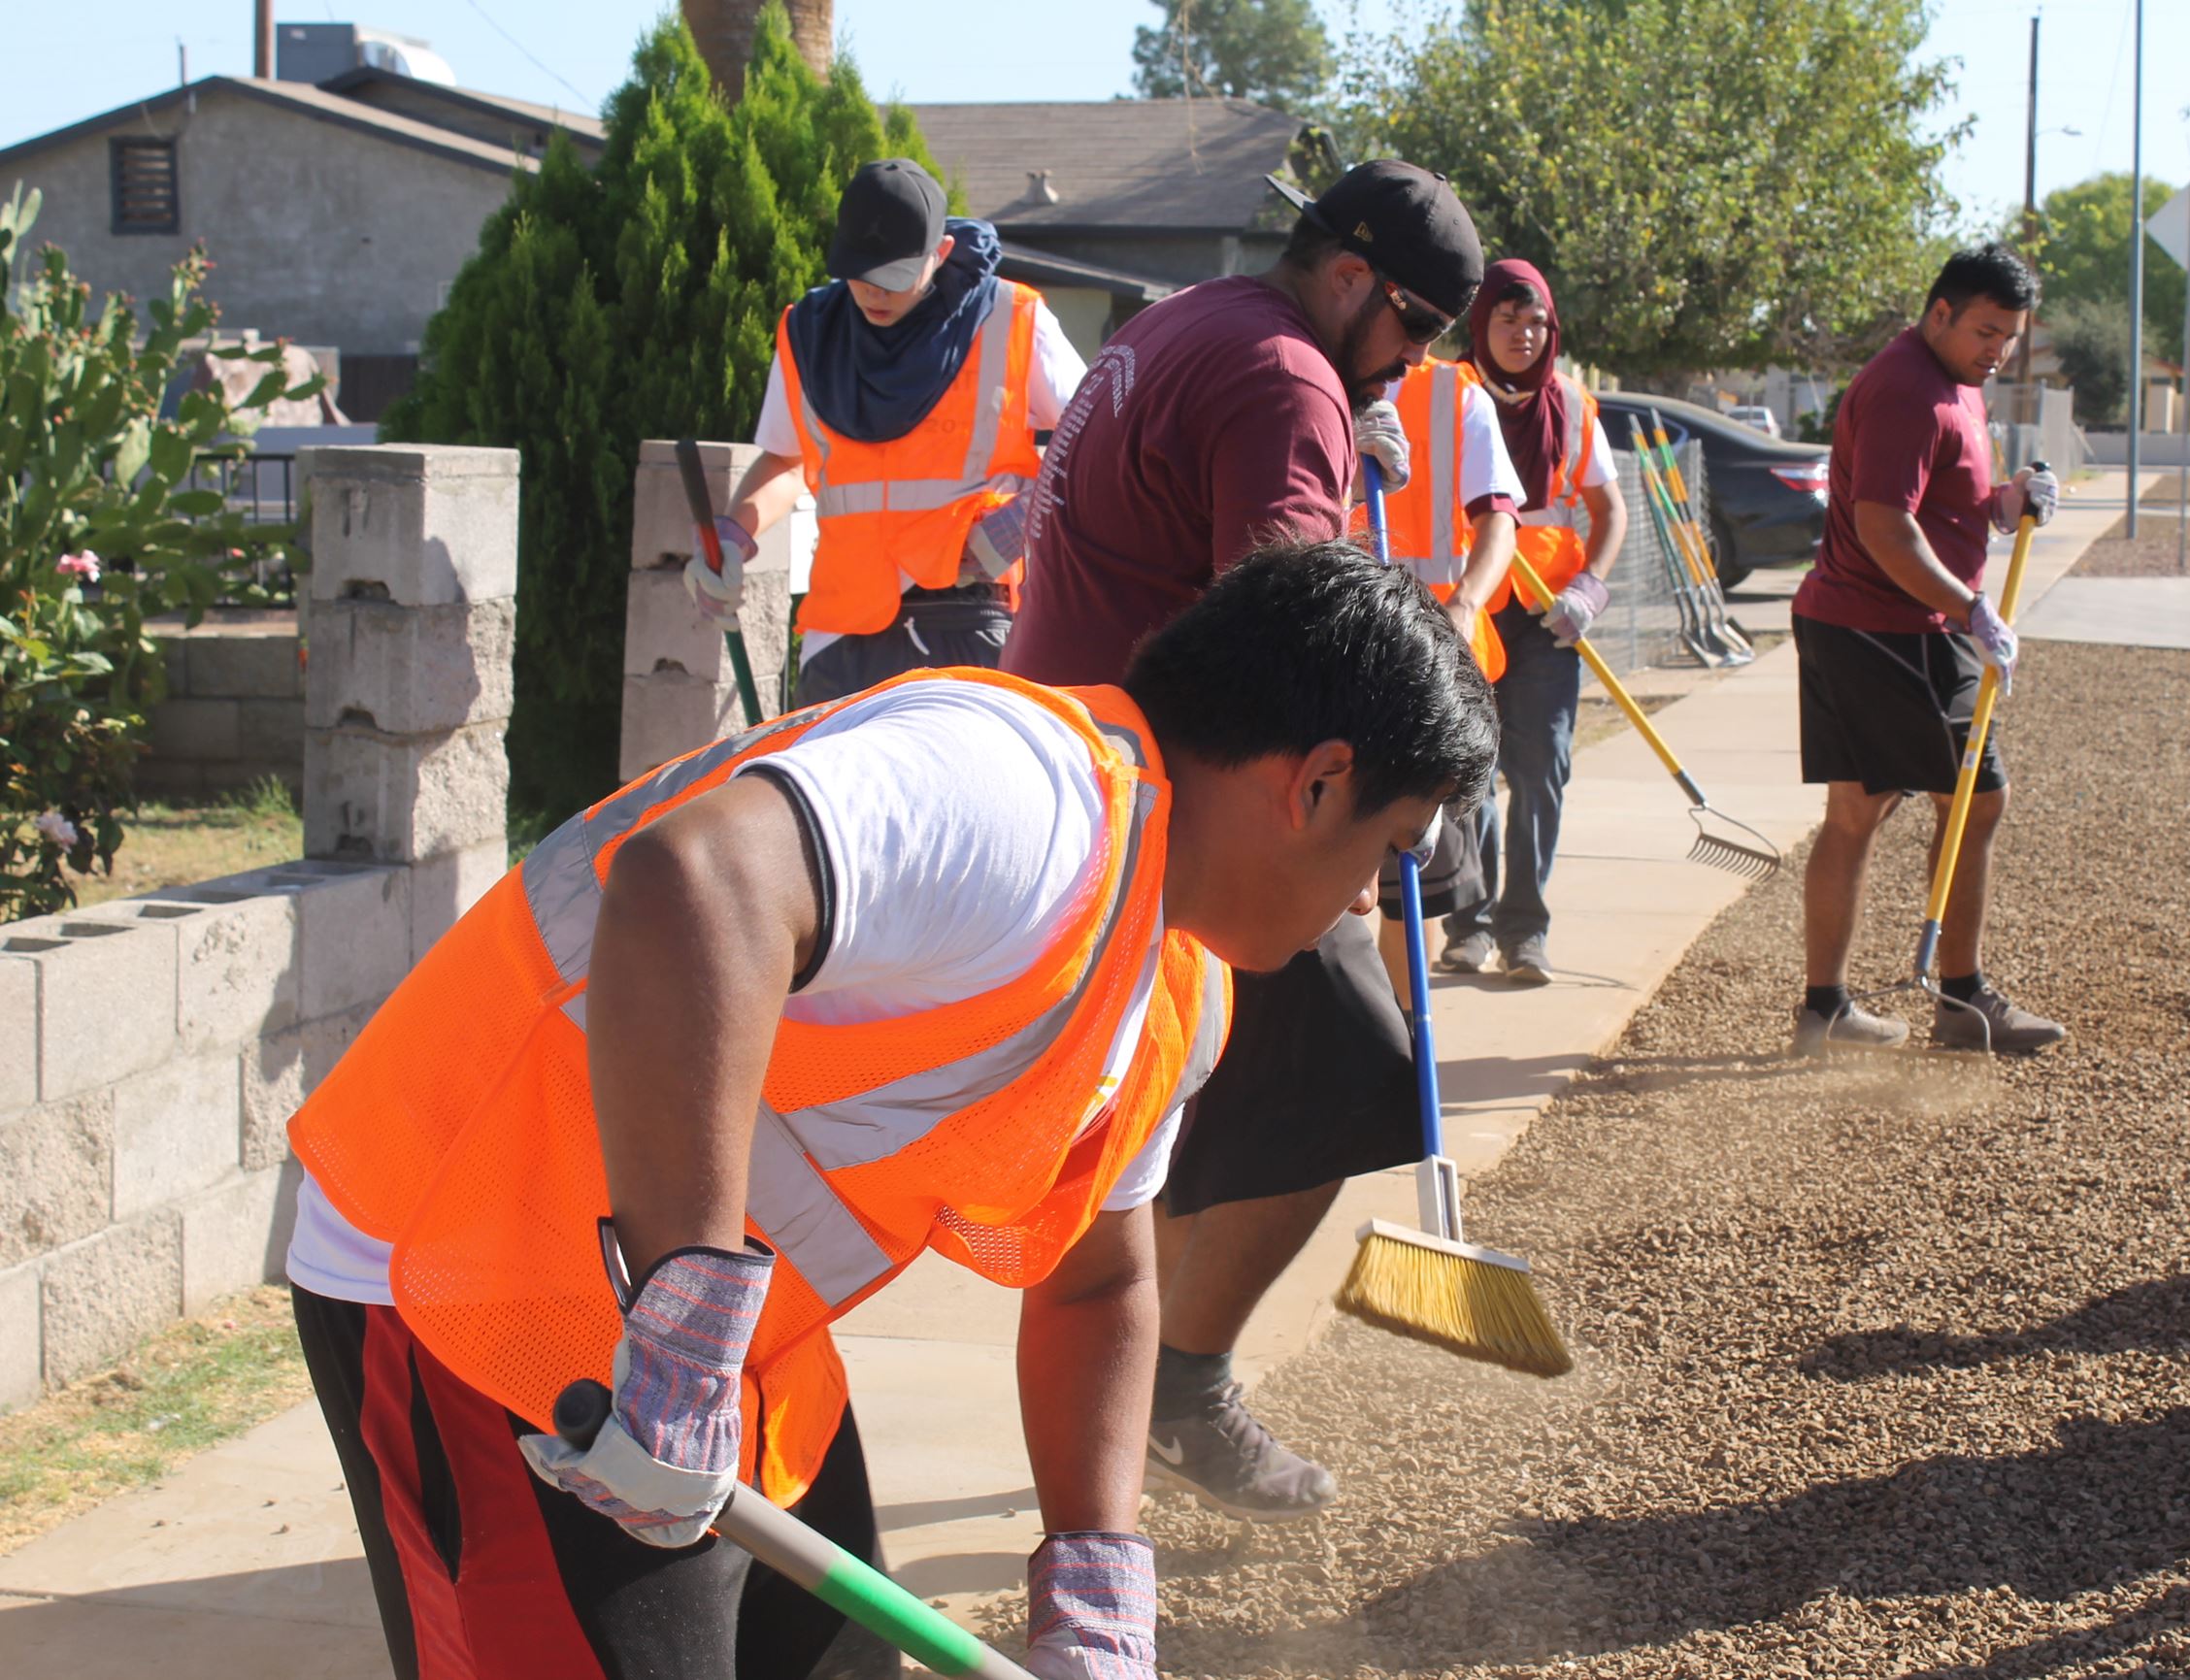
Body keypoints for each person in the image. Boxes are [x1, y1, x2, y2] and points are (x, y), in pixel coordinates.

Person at [282, 543, 1497, 1680]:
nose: (1363, 905)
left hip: (696, 1343)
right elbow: (695, 880)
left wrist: (1093, 1579)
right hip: (477, 1281)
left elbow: (1095, 1283)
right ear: (1319, 781)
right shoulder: (1024, 794)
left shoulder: (1170, 984)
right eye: (1386, 850)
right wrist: (681, 1344)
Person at [1006, 159, 1485, 1522]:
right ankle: (1176, 1388)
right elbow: (1296, 653)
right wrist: (1391, 829)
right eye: (1415, 332)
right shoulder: (1286, 382)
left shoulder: (1187, 320)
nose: (1413, 365)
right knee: (1352, 1067)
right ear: (1352, 279)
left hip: (1090, 770)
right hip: (1185, 814)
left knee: (1151, 1113)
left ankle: (1138, 1389)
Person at [1786, 242, 2064, 1058]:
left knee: (1855, 814)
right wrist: (1972, 606)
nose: (1998, 351)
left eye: (2009, 337)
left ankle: (1826, 1010)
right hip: (1893, 630)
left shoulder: (1954, 383)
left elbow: (1947, 500)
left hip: (1873, 624)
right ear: (1938, 311)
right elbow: (1886, 526)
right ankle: (1962, 999)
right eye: (1985, 331)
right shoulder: (1908, 387)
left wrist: (2006, 503)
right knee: (1974, 799)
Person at [699, 158, 1085, 706]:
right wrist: (735, 534)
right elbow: (787, 460)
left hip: (971, 614)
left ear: (941, 254)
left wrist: (1021, 522)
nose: (876, 293)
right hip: (841, 631)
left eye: (895, 276)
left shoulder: (1012, 317)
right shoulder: (808, 333)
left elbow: (1103, 440)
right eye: (862, 273)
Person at [1434, 260, 1628, 986]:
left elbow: (1611, 511)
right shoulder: (1446, 394)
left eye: (1535, 321)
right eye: (1506, 319)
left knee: (1542, 767)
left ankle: (1525, 929)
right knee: (1470, 774)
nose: (1522, 334)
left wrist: (1590, 590)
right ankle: (1471, 923)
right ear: (1479, 323)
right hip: (1466, 610)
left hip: (1549, 616)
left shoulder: (1571, 405)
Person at [1365, 348, 1526, 1002]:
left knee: (1409, 891)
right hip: (1334, 664)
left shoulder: (1453, 395)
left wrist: (1464, 601)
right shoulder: (1307, 366)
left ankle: (1403, 1049)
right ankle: (1360, 1048)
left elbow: (1500, 522)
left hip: (1427, 675)